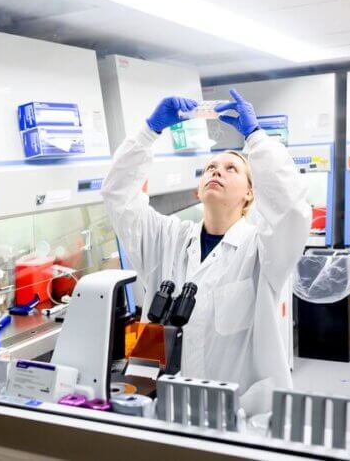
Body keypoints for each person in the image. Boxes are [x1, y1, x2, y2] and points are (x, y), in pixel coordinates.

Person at [101, 89, 310, 416]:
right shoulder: (166, 239)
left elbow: (292, 210)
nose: (217, 171)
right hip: (159, 407)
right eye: (211, 167)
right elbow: (117, 194)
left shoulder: (263, 251)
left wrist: (255, 138)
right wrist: (148, 131)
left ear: (250, 193)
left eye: (232, 169)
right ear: (198, 190)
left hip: (234, 417)